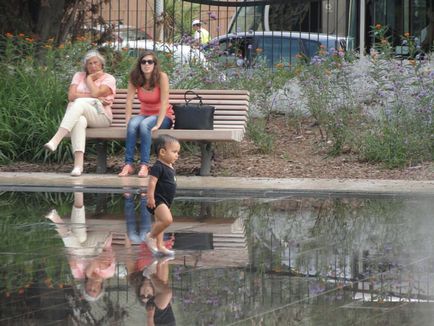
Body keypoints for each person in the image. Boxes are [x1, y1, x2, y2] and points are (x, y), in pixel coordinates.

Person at [44, 50, 116, 176]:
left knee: (78, 103)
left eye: (96, 63)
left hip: (102, 116)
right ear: (85, 66)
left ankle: (56, 140)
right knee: (79, 120)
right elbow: (71, 96)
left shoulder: (109, 78)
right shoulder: (78, 75)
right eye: (90, 63)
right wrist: (93, 98)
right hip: (83, 112)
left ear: (101, 65)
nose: (93, 66)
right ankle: (78, 166)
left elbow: (96, 93)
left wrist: (89, 79)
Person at [45, 192, 116, 302]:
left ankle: (78, 191)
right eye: (94, 290)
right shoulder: (108, 273)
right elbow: (98, 260)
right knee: (79, 249)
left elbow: (71, 256)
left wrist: (86, 265)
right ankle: (56, 219)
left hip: (81, 244)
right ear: (100, 288)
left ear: (84, 287)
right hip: (102, 240)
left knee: (80, 238)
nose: (92, 287)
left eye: (88, 289)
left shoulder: (77, 275)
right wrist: (88, 272)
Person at [118, 51, 174, 178]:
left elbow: (165, 102)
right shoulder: (135, 77)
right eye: (143, 62)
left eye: (150, 62)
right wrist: (128, 120)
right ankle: (128, 164)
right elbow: (129, 100)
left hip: (164, 116)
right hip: (145, 114)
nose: (147, 64)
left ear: (155, 64)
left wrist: (158, 123)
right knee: (133, 124)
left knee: (144, 125)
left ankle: (145, 165)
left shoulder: (161, 77)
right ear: (140, 64)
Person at [145, 135, 180, 256]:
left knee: (161, 223)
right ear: (162, 152)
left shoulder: (170, 166)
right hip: (158, 200)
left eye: (177, 152)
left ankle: (160, 246)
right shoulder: (158, 167)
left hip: (166, 200)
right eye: (174, 152)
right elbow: (152, 182)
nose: (177, 155)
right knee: (167, 220)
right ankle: (150, 236)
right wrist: (150, 197)